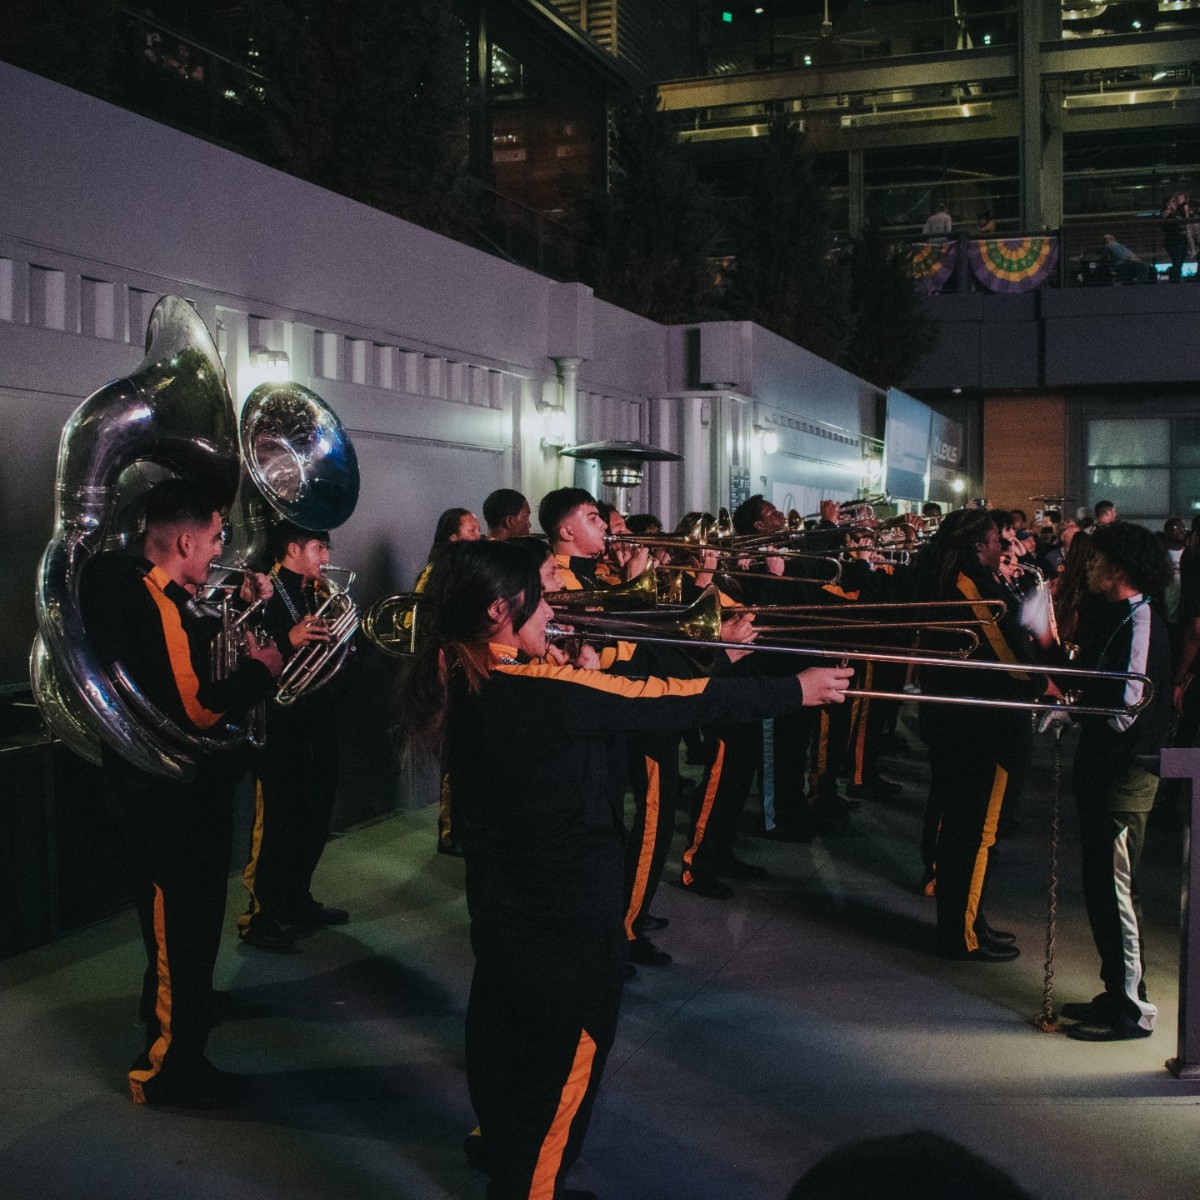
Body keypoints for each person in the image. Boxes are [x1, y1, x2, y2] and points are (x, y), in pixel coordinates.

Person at [398, 539, 851, 1199]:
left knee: (503, 1031)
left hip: (502, 906)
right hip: (567, 918)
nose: (554, 608)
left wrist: (580, 669)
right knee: (566, 1062)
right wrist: (792, 688)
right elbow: (665, 699)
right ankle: (529, 1187)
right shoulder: (543, 689)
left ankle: (501, 1147)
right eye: (543, 595)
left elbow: (576, 731)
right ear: (500, 610)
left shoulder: (465, 676)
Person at [81, 479, 283, 1106]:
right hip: (168, 805)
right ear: (186, 540)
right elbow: (195, 706)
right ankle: (166, 1070)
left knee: (181, 934)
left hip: (175, 798)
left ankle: (178, 1022)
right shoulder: (153, 601)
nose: (221, 549)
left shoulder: (162, 593)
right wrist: (260, 672)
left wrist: (238, 601)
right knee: (178, 932)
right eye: (217, 538)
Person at [1060, 521, 1172, 1041]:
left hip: (1124, 777)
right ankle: (1116, 991)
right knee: (1103, 892)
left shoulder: (1142, 616)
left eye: (1098, 561)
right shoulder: (1122, 615)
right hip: (1105, 772)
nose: (1089, 568)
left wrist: (1075, 712)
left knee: (1118, 897)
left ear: (1120, 570)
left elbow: (1129, 709)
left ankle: (1134, 1009)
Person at [238, 521, 348, 953]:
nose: (326, 558)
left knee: (314, 815)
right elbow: (251, 653)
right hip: (279, 724)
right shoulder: (264, 592)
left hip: (318, 718)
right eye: (320, 547)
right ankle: (258, 917)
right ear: (293, 548)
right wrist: (290, 638)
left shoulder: (316, 593)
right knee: (277, 822)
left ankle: (297, 900)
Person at [1162, 191, 1192, 283]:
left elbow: (1187, 221)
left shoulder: (1179, 212)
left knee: (1180, 262)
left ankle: (1175, 280)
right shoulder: (1167, 213)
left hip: (1182, 239)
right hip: (1173, 241)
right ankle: (1174, 282)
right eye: (1173, 202)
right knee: (1177, 262)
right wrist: (1170, 210)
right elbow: (1164, 218)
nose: (1175, 203)